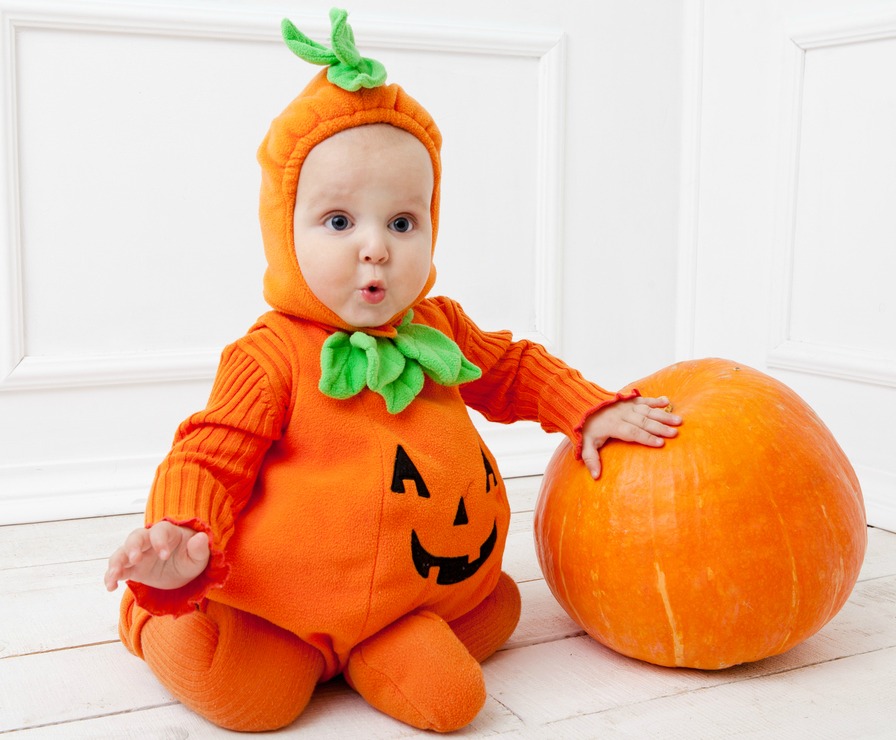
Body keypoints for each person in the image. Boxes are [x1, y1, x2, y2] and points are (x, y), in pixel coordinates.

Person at [103, 9, 681, 734]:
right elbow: (207, 455)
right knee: (255, 703)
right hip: (281, 604)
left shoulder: (440, 327)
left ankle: (370, 644)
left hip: (409, 596)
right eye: (340, 222)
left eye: (402, 222)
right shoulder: (270, 355)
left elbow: (514, 369)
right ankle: (158, 614)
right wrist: (178, 537)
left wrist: (588, 409)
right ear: (285, 231)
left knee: (470, 664)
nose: (375, 248)